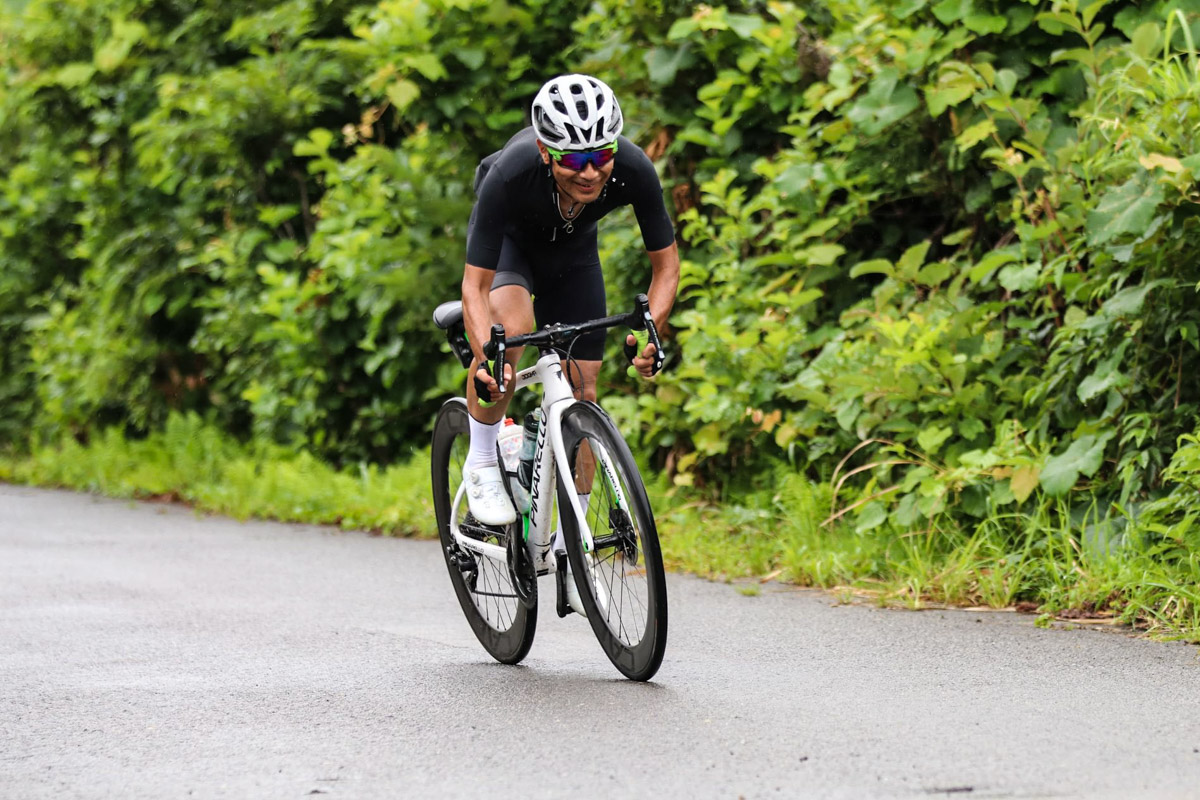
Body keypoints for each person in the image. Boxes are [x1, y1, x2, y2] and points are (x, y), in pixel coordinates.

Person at [460, 74, 680, 531]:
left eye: (600, 156)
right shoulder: (510, 173)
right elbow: (475, 287)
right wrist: (487, 356)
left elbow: (666, 267)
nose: (589, 172)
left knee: (584, 388)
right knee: (513, 330)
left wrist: (650, 333)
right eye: (574, 160)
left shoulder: (633, 168)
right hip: (510, 247)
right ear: (545, 152)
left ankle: (572, 537)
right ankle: (481, 458)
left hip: (573, 253)